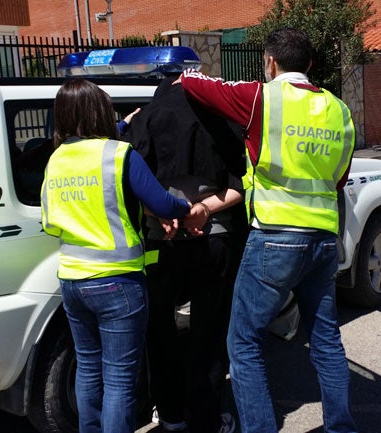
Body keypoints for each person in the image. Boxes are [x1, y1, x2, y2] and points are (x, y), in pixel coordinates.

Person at [174, 28, 358, 433]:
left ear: (270, 63)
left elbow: (196, 84)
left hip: (274, 238)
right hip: (323, 240)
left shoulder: (263, 98)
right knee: (326, 342)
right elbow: (340, 178)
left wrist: (181, 72)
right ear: (310, 66)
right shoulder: (339, 111)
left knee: (243, 343)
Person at [40, 78, 191, 433]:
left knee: (89, 369)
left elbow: (49, 222)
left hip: (73, 282)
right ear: (99, 112)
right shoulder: (120, 154)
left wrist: (124, 126)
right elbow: (160, 202)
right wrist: (186, 207)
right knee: (121, 380)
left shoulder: (56, 160)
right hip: (118, 283)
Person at [123, 76, 249, 433]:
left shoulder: (147, 118)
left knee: (160, 332)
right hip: (214, 240)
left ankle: (171, 415)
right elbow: (239, 184)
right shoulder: (219, 117)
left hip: (161, 243)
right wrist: (203, 210)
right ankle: (207, 419)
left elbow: (127, 184)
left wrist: (163, 214)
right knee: (208, 333)